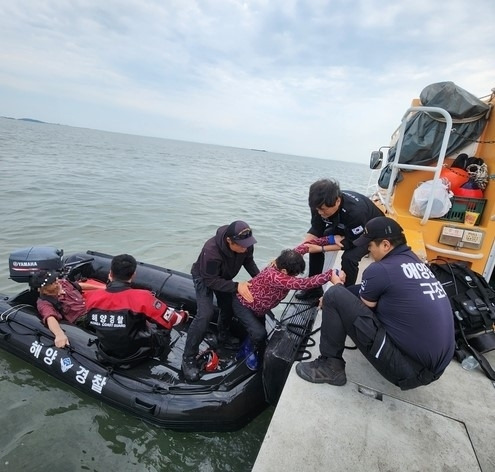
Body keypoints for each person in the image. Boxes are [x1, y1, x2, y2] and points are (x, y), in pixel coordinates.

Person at [296, 217, 455, 390]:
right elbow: (364, 292)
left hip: (406, 371)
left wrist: (337, 289)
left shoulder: (379, 270)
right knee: (341, 296)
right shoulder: (415, 262)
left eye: (370, 245)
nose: (368, 251)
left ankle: (331, 366)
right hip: (433, 368)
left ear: (386, 245)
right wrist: (342, 295)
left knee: (334, 294)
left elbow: (365, 311)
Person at [233, 244, 345, 369]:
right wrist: (331, 274)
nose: (295, 277)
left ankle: (249, 345)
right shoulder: (276, 276)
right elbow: (304, 283)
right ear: (284, 271)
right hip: (245, 305)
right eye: (294, 275)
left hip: (259, 309)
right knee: (259, 334)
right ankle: (245, 351)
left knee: (258, 332)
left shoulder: (282, 262)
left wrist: (330, 240)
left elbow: (304, 247)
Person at [182, 220, 260, 382]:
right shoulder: (211, 251)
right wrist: (237, 285)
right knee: (205, 314)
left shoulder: (246, 244)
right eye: (242, 246)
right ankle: (188, 358)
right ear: (229, 241)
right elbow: (210, 281)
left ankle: (223, 335)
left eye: (248, 245)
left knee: (227, 306)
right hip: (204, 277)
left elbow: (249, 262)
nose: (245, 248)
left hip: (224, 277)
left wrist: (261, 281)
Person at [84, 254, 188, 367]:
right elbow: (172, 319)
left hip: (107, 352)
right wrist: (183, 315)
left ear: (110, 274)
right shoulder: (142, 298)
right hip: (137, 354)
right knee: (162, 327)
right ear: (133, 275)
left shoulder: (92, 298)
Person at [296, 178, 384, 299]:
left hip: (370, 232)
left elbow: (353, 242)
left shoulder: (355, 211)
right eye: (317, 209)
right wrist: (301, 250)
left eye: (323, 210)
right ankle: (314, 289)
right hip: (345, 224)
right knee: (312, 245)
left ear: (337, 201)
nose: (320, 213)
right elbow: (317, 228)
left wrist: (320, 247)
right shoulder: (318, 204)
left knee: (349, 258)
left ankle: (345, 296)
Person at [32, 270, 103, 348]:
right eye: (52, 282)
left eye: (55, 279)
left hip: (88, 308)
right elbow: (50, 317)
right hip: (81, 319)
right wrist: (59, 334)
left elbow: (78, 285)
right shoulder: (44, 302)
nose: (56, 281)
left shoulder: (62, 283)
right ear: (44, 288)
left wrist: (103, 288)